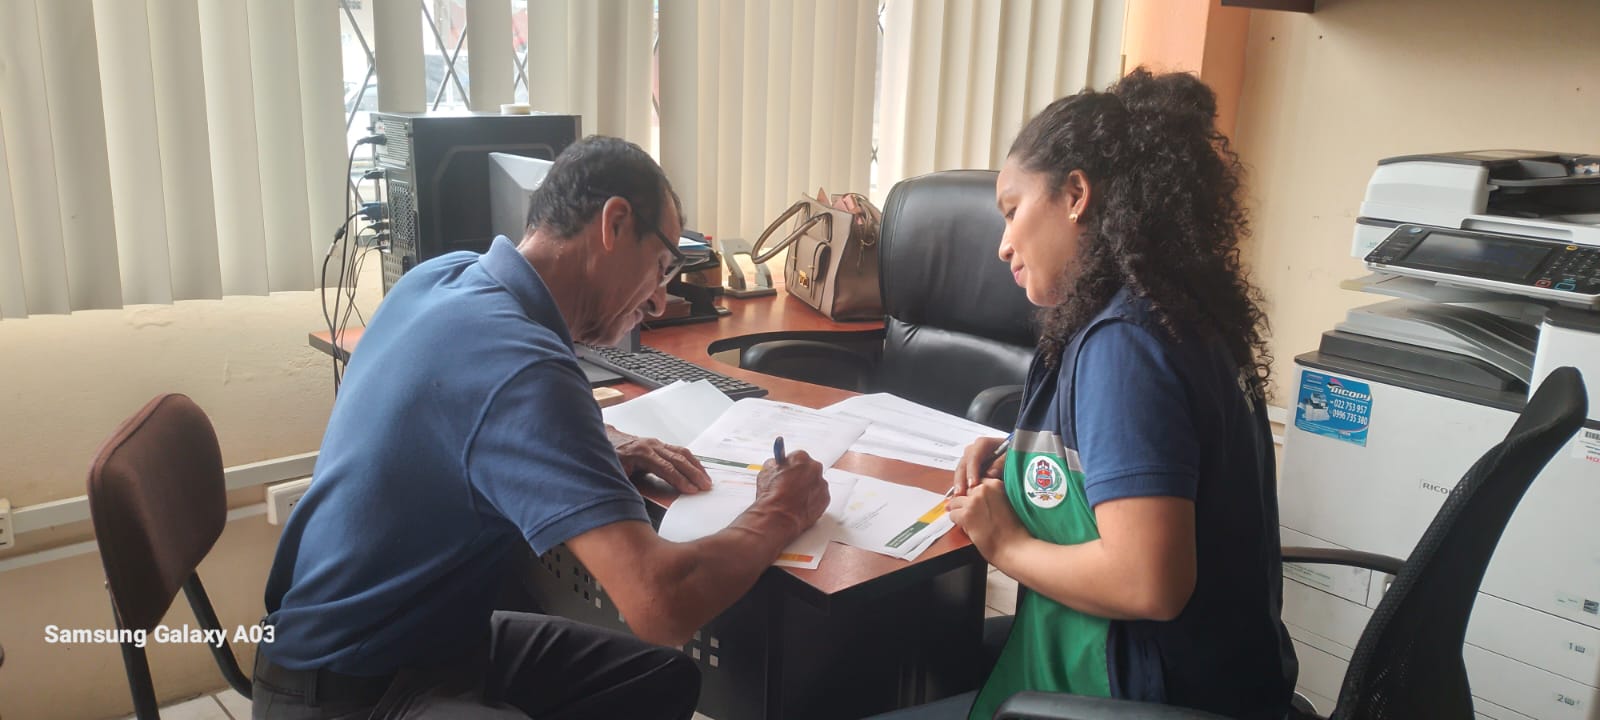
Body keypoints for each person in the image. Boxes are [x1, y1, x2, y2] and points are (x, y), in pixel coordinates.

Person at [253, 136, 830, 719]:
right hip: (350, 689)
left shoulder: (442, 278)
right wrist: (780, 511)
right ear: (614, 224)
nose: (659, 301)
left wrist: (596, 443)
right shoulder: (525, 367)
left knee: (664, 680)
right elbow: (661, 602)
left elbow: (466, 419)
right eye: (662, 268)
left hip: (410, 642)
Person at [882, 69, 1299, 720]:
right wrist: (1017, 462)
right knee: (922, 658)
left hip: (1145, 695)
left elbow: (1148, 581)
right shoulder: (1170, 315)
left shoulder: (1124, 344)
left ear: (1075, 195)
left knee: (881, 675)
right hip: (1216, 682)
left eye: (1012, 210)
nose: (1003, 245)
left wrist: (1005, 545)